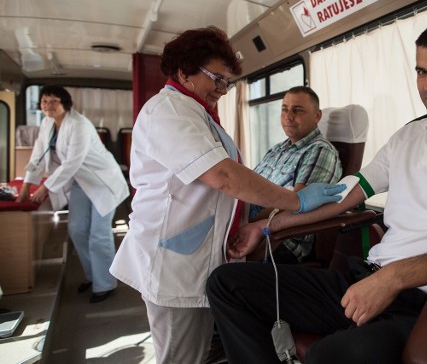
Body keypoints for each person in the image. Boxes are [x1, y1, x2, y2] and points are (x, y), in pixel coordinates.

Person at [206, 21, 427, 363]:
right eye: (421, 72)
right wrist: (268, 226)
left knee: (330, 356)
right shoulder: (408, 135)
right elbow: (346, 194)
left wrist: (394, 278)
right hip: (367, 276)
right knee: (227, 284)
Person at [108, 26, 345, 364]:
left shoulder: (197, 112)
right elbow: (223, 176)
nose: (222, 89)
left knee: (192, 352)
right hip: (174, 258)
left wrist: (257, 225)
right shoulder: (170, 112)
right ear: (183, 70)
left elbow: (230, 181)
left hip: (197, 250)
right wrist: (296, 201)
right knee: (179, 356)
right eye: (216, 79)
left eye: (226, 82)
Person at [17, 85, 129, 303]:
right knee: (76, 229)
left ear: (65, 103)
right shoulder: (47, 123)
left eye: (53, 101)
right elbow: (38, 156)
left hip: (102, 182)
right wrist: (25, 187)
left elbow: (72, 163)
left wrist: (45, 188)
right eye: (44, 101)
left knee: (98, 234)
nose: (48, 106)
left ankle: (105, 283)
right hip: (80, 182)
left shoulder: (79, 125)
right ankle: (92, 276)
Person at [250, 86, 342, 264]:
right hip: (254, 224)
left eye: (297, 110)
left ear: (317, 116)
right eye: (285, 109)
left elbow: (298, 204)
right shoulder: (277, 149)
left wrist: (247, 219)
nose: (288, 117)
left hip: (281, 239)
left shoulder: (320, 150)